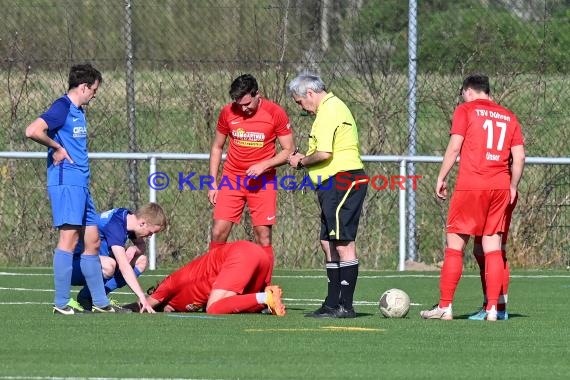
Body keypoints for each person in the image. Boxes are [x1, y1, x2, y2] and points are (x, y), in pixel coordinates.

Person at [420, 73, 525, 321]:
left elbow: (455, 146)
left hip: (471, 184)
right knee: (493, 247)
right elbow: (519, 157)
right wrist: (512, 185)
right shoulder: (509, 116)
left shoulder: (465, 110)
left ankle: (445, 307)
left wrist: (441, 176)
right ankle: (492, 309)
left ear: (468, 91)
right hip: (500, 186)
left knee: (455, 244)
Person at [25, 63, 121, 314]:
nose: (95, 94)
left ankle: (100, 302)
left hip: (81, 185)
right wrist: (56, 148)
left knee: (92, 240)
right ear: (84, 86)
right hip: (66, 183)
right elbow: (33, 130)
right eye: (94, 89)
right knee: (69, 239)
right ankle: (61, 302)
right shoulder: (62, 107)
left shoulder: (78, 112)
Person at [287, 73, 368, 318]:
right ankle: (332, 303)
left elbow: (323, 153)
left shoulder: (329, 110)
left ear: (309, 94)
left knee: (343, 242)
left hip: (343, 180)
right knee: (327, 241)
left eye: (300, 102)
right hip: (333, 183)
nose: (302, 107)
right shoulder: (331, 108)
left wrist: (301, 162)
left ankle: (346, 306)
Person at [208, 74, 295, 285]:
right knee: (219, 231)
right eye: (239, 104)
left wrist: (264, 165)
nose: (244, 109)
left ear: (257, 94)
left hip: (262, 183)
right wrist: (213, 183)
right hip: (232, 179)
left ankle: (262, 290)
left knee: (262, 235)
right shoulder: (228, 112)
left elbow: (289, 150)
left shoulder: (275, 113)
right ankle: (210, 282)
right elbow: (217, 147)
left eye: (247, 103)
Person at [123, 240, 286, 316]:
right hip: (258, 256)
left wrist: (118, 309)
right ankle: (266, 297)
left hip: (242, 255)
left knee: (213, 308)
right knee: (235, 304)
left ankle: (266, 296)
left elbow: (143, 304)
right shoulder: (184, 303)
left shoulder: (168, 284)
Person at [71, 202, 168, 313]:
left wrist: (134, 249)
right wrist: (142, 297)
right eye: (151, 232)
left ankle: (93, 296)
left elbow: (141, 246)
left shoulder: (128, 219)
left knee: (141, 260)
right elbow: (124, 267)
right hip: (74, 266)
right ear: (142, 223)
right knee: (109, 265)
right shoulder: (115, 225)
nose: (150, 236)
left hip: (92, 264)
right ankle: (90, 298)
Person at [468, 195, 517, 321]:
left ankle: (498, 308)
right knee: (480, 251)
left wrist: (513, 185)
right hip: (485, 192)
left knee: (497, 250)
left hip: (498, 192)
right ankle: (491, 306)